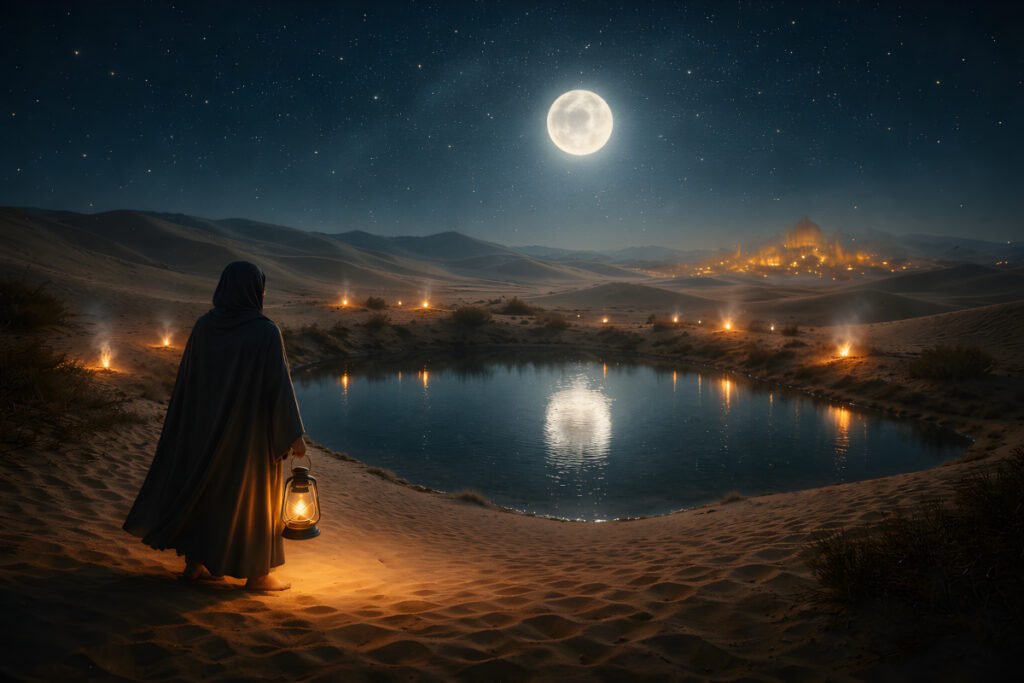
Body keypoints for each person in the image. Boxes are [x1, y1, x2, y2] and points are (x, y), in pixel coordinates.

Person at [124, 261, 306, 591]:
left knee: (205, 492)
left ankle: (196, 564)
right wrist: (294, 436)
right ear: (254, 290)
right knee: (252, 500)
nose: (263, 293)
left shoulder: (204, 326)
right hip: (248, 439)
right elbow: (278, 388)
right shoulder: (265, 332)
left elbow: (189, 385)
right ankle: (258, 574)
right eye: (261, 288)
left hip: (202, 433)